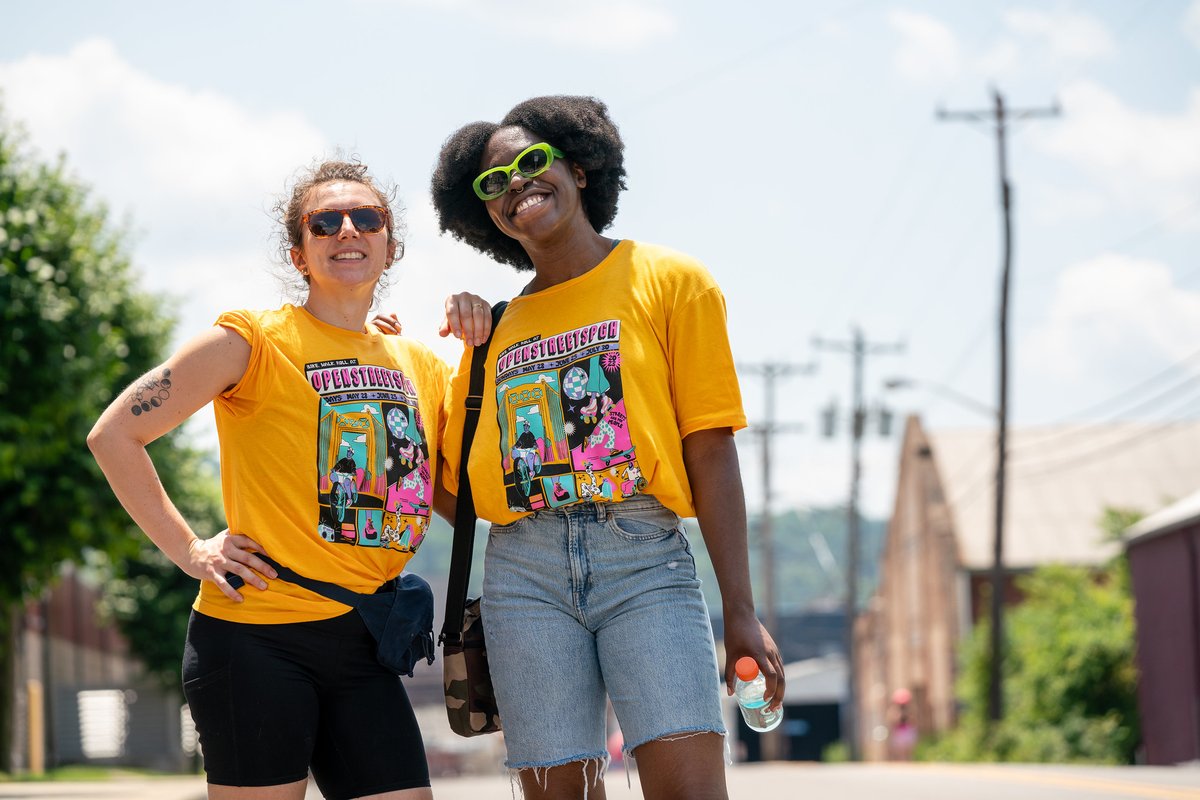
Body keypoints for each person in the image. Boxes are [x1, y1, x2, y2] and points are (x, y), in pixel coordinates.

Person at [88, 159, 489, 800]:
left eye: (367, 218)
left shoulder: (422, 366)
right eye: (323, 222)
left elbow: (458, 499)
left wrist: (484, 345)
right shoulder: (251, 341)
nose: (346, 230)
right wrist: (191, 549)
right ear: (299, 252)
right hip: (255, 640)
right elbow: (113, 435)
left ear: (390, 243)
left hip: (366, 643)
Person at [431, 96, 786, 800]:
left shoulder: (671, 281)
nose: (516, 185)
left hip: (644, 558)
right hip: (522, 577)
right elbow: (448, 486)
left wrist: (740, 611)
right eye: (492, 183)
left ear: (581, 168)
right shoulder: (493, 331)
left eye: (533, 163)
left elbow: (710, 448)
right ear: (484, 213)